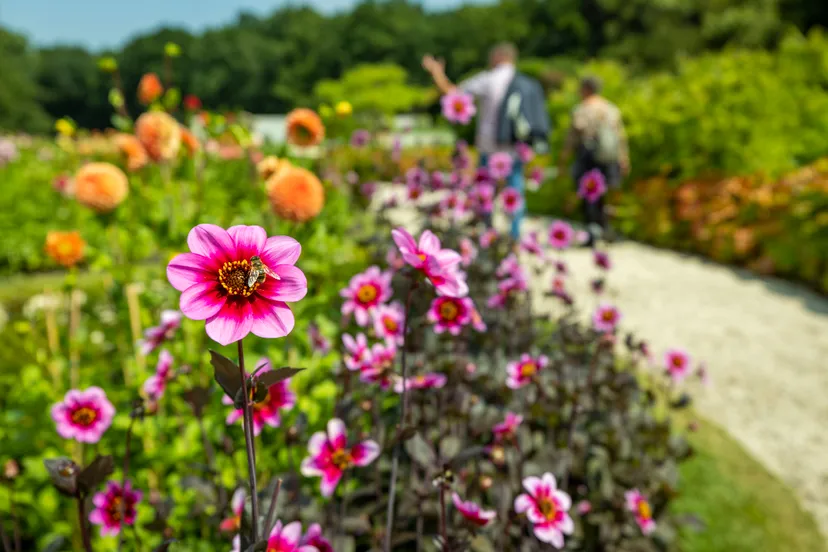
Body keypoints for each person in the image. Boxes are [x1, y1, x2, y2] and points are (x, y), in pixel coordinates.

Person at [423, 43, 548, 239]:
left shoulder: (488, 79)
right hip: (515, 147)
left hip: (489, 147)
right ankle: (514, 236)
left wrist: (436, 72)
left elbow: (452, 93)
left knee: (484, 192)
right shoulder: (526, 83)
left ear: (497, 57)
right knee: (515, 192)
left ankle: (488, 234)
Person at [559, 75, 630, 247]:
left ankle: (592, 233)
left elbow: (573, 137)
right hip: (609, 157)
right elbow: (620, 136)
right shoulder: (611, 109)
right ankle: (606, 229)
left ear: (586, 89)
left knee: (588, 194)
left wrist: (564, 158)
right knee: (605, 194)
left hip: (588, 157)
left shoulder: (582, 109)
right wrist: (624, 158)